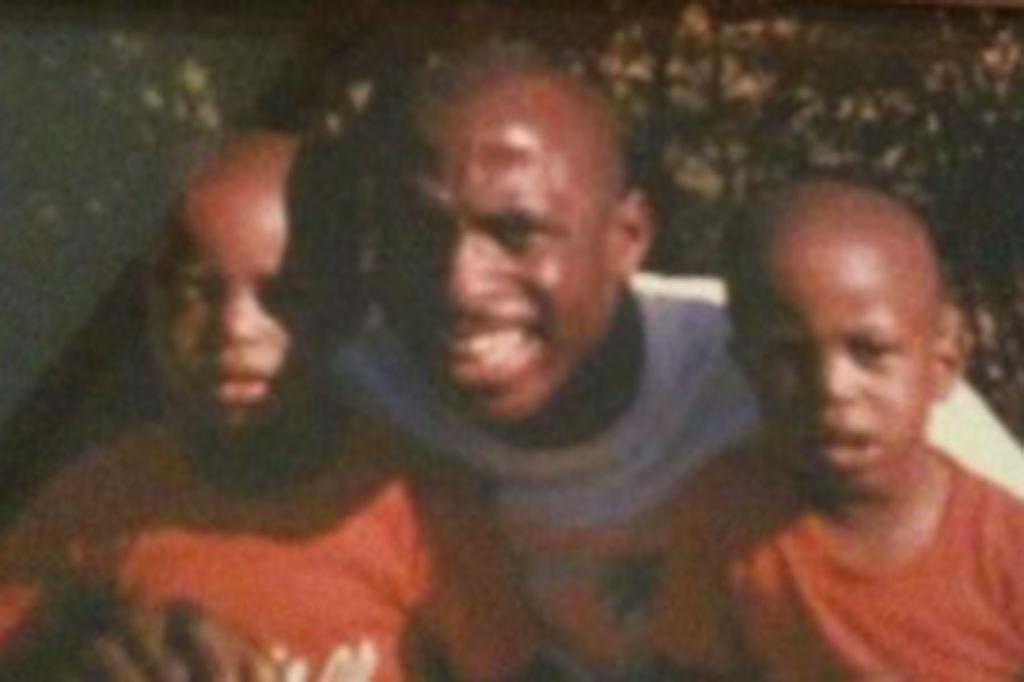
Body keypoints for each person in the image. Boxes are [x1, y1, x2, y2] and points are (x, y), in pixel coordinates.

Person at [336, 44, 1024, 677]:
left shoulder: (787, 347)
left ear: (627, 237)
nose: (460, 283)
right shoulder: (360, 398)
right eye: (420, 232)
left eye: (518, 233)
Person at [0, 132, 536, 682]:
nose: (233, 329)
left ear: (345, 308)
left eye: (283, 295)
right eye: (196, 290)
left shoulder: (425, 512)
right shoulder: (99, 500)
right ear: (150, 303)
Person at [654, 180, 1024, 680]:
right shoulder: (723, 516)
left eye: (869, 351)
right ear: (746, 365)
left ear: (943, 363)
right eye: (789, 354)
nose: (832, 387)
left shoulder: (1004, 549)